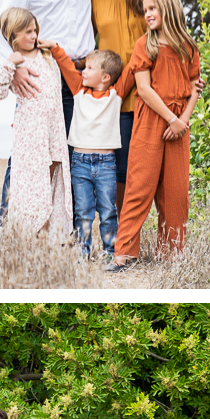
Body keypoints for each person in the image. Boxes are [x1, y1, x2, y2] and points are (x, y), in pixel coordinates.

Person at [0, 0, 98, 219]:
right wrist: (16, 68)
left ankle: (67, 234)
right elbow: (0, 28)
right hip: (43, 77)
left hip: (81, 76)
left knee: (73, 157)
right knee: (29, 155)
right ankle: (8, 225)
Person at [106, 0, 200, 273]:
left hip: (178, 126)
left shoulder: (188, 46)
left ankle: (171, 253)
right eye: (145, 10)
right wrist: (171, 118)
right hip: (151, 120)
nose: (147, 14)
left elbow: (195, 88)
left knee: (176, 193)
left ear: (168, 9)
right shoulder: (145, 44)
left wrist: (181, 121)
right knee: (139, 185)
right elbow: (144, 90)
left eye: (152, 9)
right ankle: (124, 253)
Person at [41, 41, 136, 259]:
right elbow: (66, 65)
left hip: (106, 165)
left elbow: (132, 69)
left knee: (108, 212)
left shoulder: (115, 95)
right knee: (82, 212)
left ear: (105, 78)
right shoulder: (78, 91)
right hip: (80, 162)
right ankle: (83, 253)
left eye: (90, 68)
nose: (83, 71)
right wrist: (54, 47)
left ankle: (110, 251)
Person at [0, 8, 73, 238]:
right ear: (13, 36)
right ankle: (29, 230)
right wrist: (10, 63)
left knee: (53, 175)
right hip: (30, 132)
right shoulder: (14, 64)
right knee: (31, 181)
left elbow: (55, 93)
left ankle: (50, 230)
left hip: (54, 128)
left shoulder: (46, 56)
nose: (34, 35)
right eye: (27, 32)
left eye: (35, 30)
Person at [92, 0, 157, 217]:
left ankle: (131, 228)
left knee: (138, 167)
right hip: (110, 97)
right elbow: (87, 43)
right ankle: (118, 230)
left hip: (144, 92)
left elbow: (162, 42)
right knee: (116, 167)